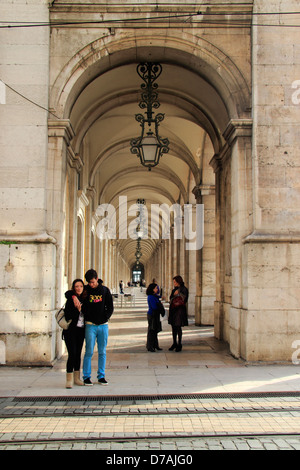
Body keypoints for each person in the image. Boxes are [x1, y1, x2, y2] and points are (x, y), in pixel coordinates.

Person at [73, 269, 114, 386]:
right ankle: (86, 376)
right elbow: (72, 291)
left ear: (97, 279)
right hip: (90, 325)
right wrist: (75, 298)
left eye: (92, 282)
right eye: (89, 282)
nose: (91, 284)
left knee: (102, 351)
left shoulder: (105, 290)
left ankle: (101, 376)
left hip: (103, 326)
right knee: (89, 351)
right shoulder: (85, 290)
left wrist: (105, 317)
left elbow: (110, 306)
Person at [63, 279, 86, 388]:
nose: (79, 288)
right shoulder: (71, 299)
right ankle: (69, 379)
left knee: (78, 354)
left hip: (80, 331)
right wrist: (77, 309)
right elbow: (67, 315)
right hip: (70, 331)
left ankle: (77, 378)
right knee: (71, 354)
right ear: (73, 288)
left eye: (81, 286)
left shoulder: (84, 299)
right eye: (76, 286)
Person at [168, 275, 188, 352]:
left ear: (179, 281)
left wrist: (178, 294)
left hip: (180, 311)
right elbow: (170, 298)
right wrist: (174, 294)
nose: (174, 283)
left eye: (175, 282)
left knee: (178, 327)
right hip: (173, 310)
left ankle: (179, 344)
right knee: (173, 327)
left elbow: (184, 299)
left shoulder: (184, 289)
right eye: (173, 282)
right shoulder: (174, 290)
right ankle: (174, 343)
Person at [146, 283, 165, 352]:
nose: (157, 289)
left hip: (155, 315)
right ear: (152, 289)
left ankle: (155, 345)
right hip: (152, 315)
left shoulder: (154, 296)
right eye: (156, 288)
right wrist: (160, 305)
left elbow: (158, 298)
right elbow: (154, 307)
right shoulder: (151, 297)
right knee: (151, 330)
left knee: (155, 331)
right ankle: (150, 346)